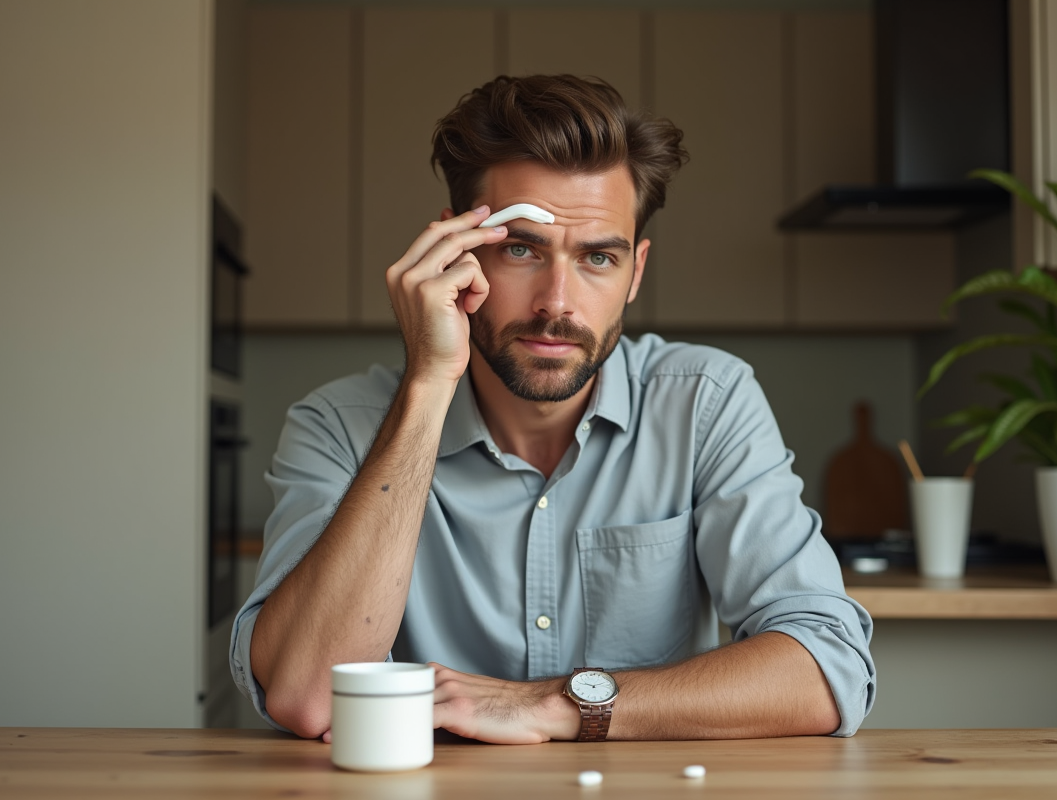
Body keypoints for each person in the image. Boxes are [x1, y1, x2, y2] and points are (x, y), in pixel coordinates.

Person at [231, 74, 875, 744]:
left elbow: (828, 668)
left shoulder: (705, 402)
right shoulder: (338, 425)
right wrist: (427, 385)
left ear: (636, 273)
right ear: (456, 251)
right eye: (520, 249)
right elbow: (307, 697)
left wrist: (555, 704)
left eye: (598, 257)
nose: (557, 303)